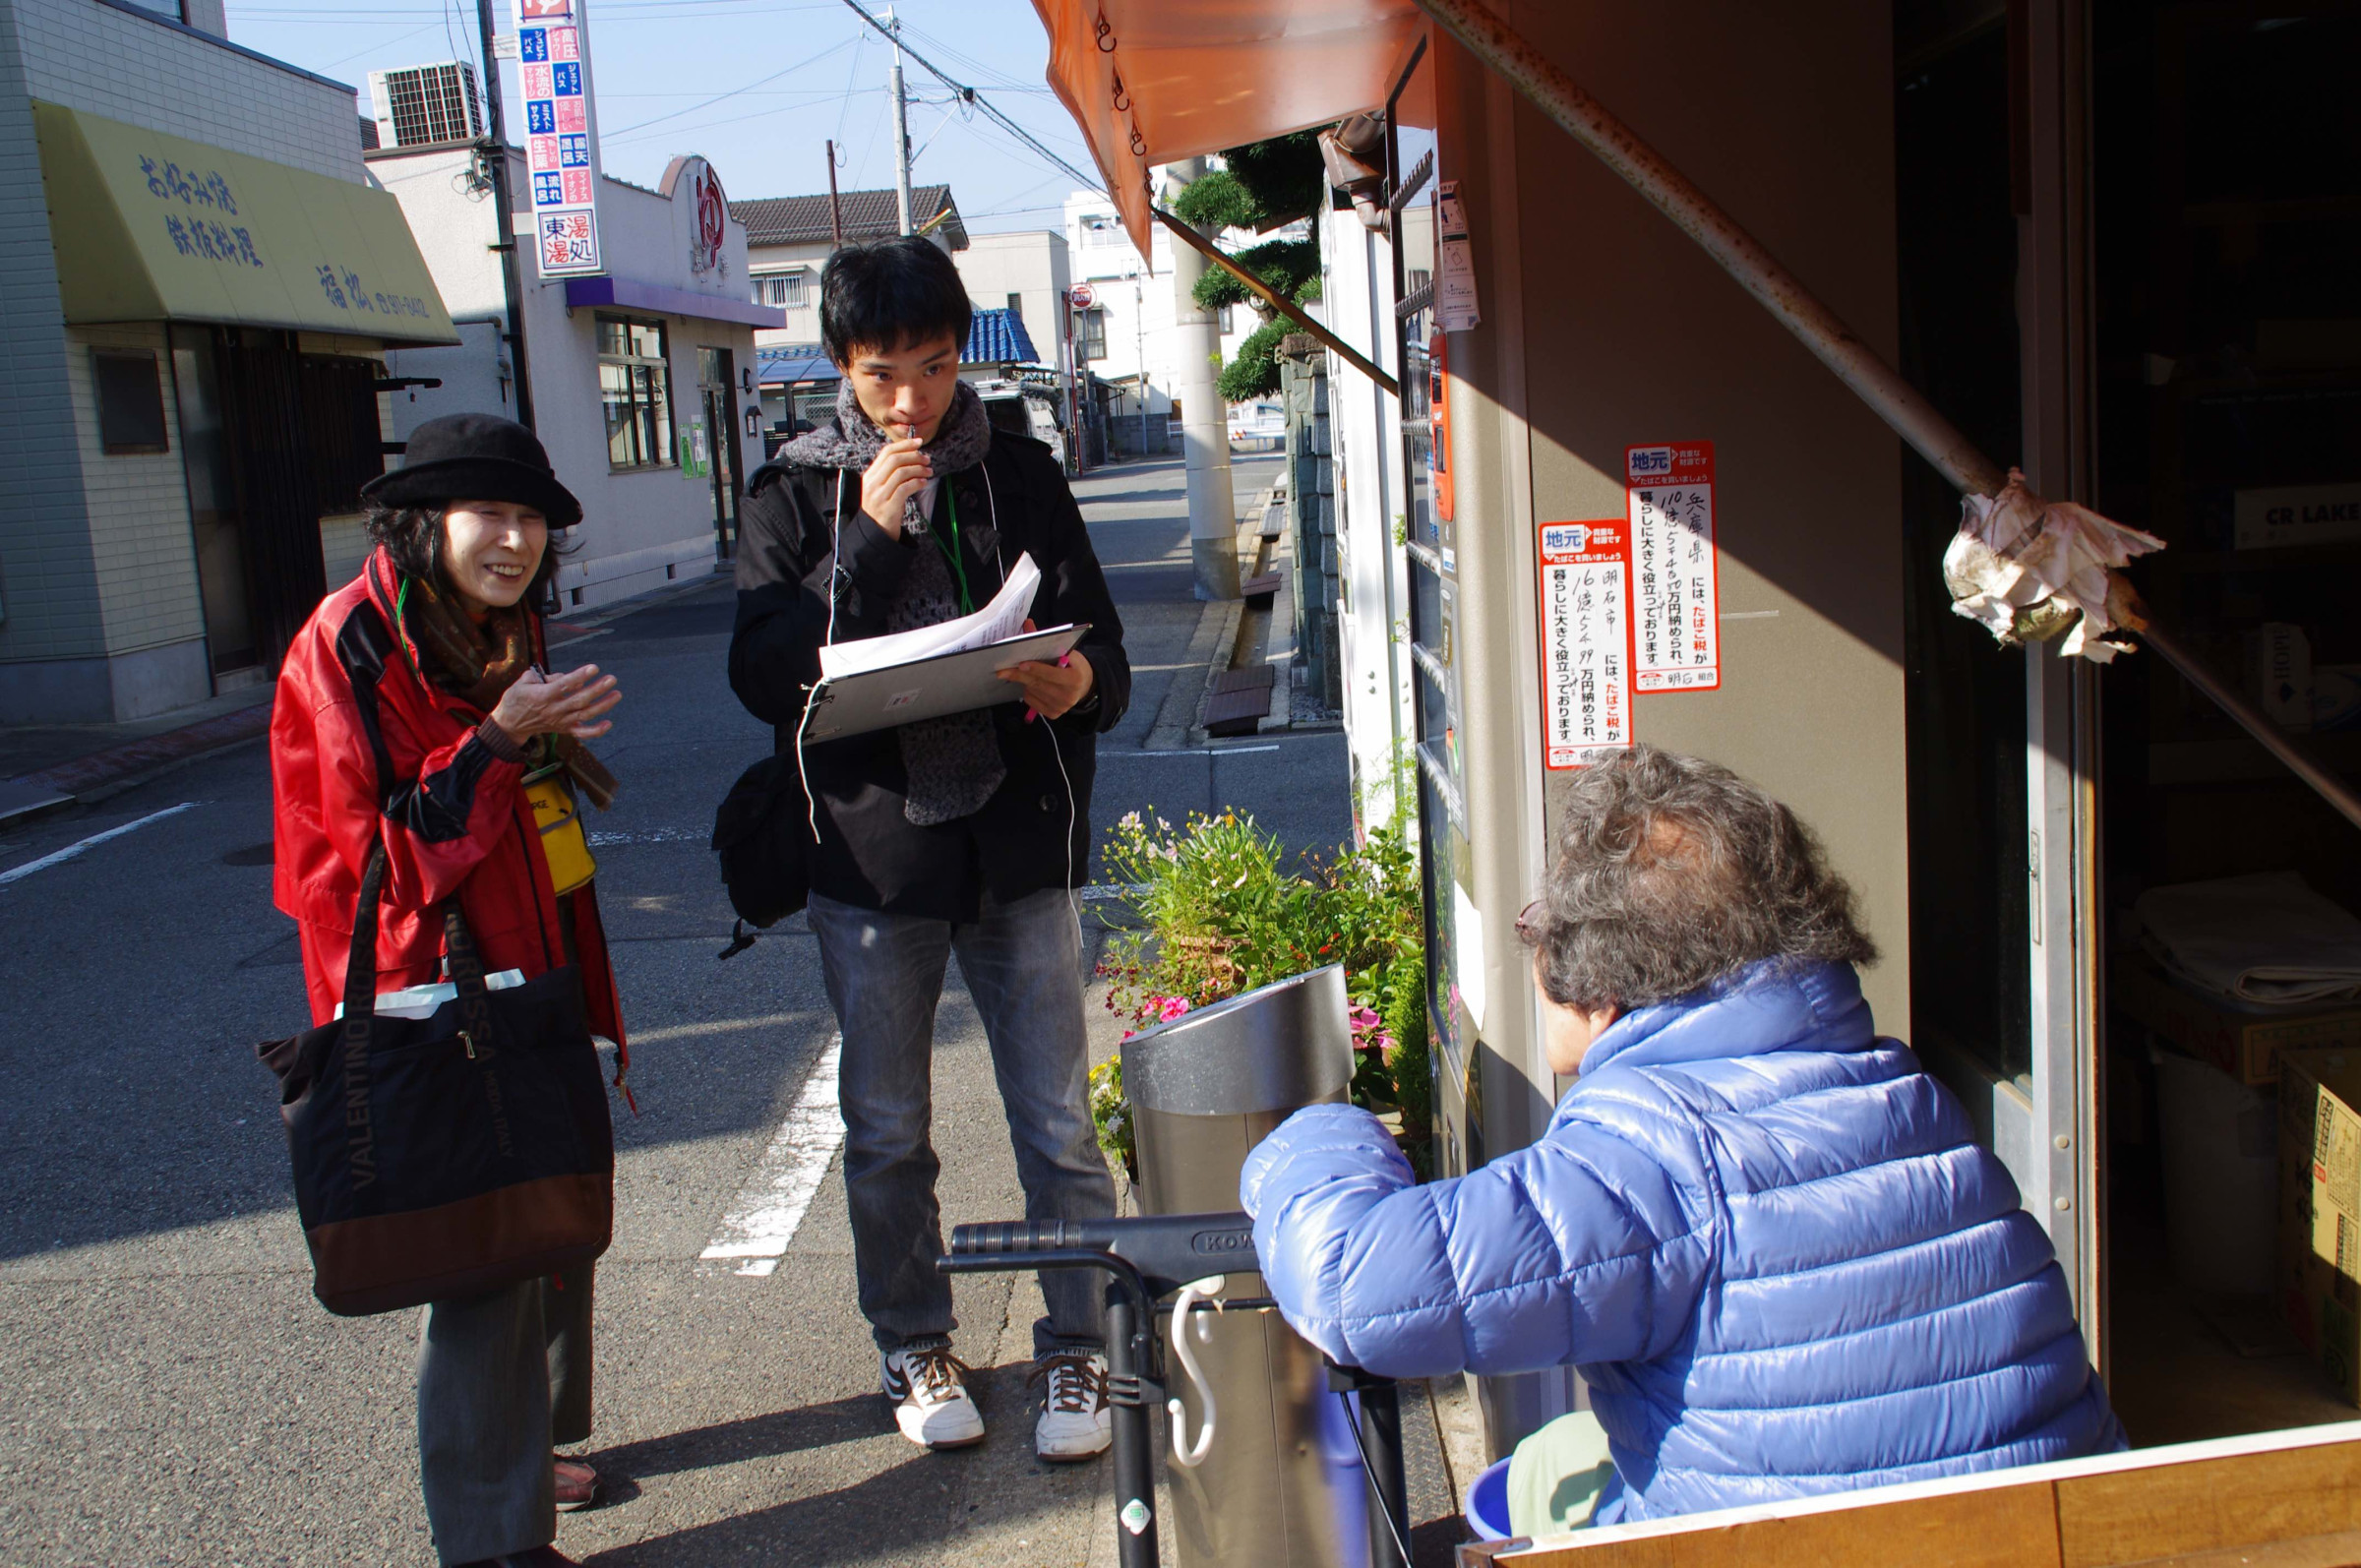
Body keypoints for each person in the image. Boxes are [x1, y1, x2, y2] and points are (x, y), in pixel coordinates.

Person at [1242, 747, 2124, 1530]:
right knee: (1572, 1453)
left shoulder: (1657, 1154)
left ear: (1600, 980)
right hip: (2078, 1529)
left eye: (1542, 931)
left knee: (1547, 1468)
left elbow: (1353, 1287)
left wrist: (1326, 1125)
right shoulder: (1901, 1091)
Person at [728, 236, 1129, 1460]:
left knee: (1056, 1118)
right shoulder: (792, 490)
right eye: (881, 373)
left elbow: (1103, 645)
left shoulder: (1019, 470)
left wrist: (1079, 685)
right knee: (888, 1125)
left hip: (1017, 842)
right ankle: (914, 1339)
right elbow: (761, 674)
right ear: (839, 363)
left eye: (938, 366)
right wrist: (864, 535)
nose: (912, 401)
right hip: (873, 859)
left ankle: (1080, 1351)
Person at [271, 413, 627, 1568]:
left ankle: (536, 1447)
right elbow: (367, 864)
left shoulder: (498, 624)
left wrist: (534, 742)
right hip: (427, 987)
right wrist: (495, 743)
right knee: (486, 1261)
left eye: (530, 519)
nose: (516, 541)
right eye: (493, 516)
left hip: (532, 957)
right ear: (426, 525)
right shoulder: (348, 647)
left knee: (555, 1216)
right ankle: (492, 1540)